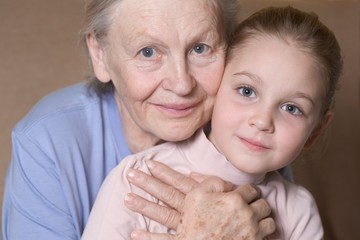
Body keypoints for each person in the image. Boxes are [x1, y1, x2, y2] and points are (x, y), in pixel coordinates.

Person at [2, 0, 276, 239]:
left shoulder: (250, 128)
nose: (181, 84)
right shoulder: (46, 141)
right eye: (148, 52)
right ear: (101, 54)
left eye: (200, 49)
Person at [81, 6, 343, 240]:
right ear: (217, 83)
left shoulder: (299, 212)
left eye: (291, 108)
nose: (263, 120)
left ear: (316, 130)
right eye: (247, 91)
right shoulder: (136, 180)